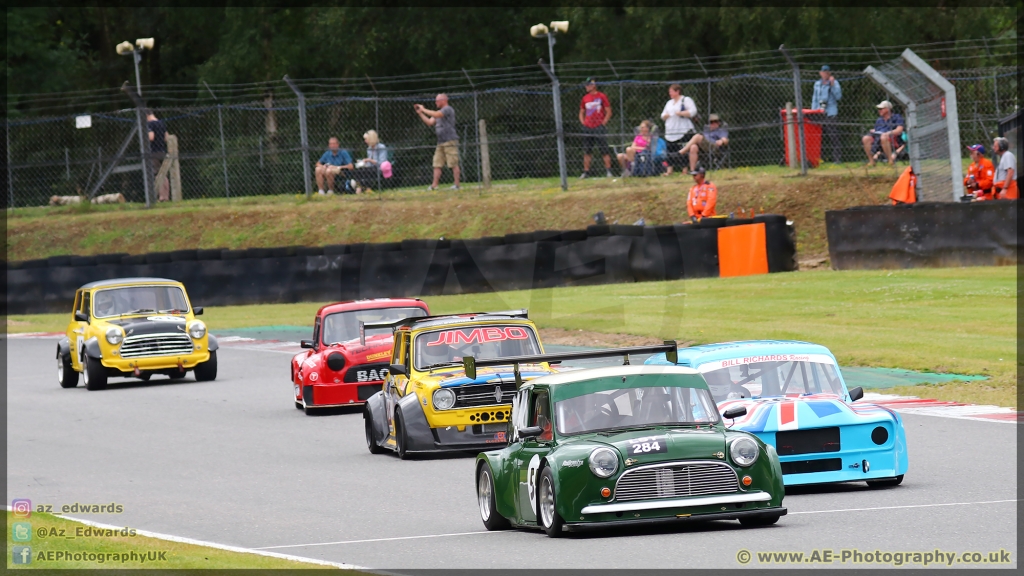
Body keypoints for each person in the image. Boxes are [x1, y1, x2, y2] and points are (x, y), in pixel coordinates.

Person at [415, 93, 460, 190]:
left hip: (450, 140)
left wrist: (423, 109)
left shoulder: (447, 109)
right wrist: (421, 113)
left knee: (453, 163)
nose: (435, 102)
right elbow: (429, 122)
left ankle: (456, 185)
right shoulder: (438, 112)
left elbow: (436, 114)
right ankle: (434, 185)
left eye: (437, 100)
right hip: (440, 141)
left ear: (444, 100)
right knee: (437, 163)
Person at [578, 77, 614, 179]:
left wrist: (603, 123)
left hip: (599, 126)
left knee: (604, 150)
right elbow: (581, 112)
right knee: (587, 150)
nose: (586, 87)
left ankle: (609, 171)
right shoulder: (585, 98)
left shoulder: (602, 96)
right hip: (588, 127)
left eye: (588, 85)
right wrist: (583, 123)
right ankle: (586, 172)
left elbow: (608, 111)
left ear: (593, 85)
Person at [660, 83, 697, 175]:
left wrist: (681, 113)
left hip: (683, 129)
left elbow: (693, 111)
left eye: (672, 91)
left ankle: (684, 169)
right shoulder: (669, 103)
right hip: (670, 130)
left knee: (683, 149)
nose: (670, 93)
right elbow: (662, 115)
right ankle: (669, 170)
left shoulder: (685, 100)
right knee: (671, 150)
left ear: (677, 91)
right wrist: (666, 116)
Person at [812, 65, 843, 164]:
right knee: (817, 136)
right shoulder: (817, 84)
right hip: (819, 112)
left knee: (833, 136)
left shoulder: (835, 83)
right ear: (820, 73)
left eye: (827, 72)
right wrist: (813, 111)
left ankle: (837, 158)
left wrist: (832, 85)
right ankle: (818, 158)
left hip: (830, 112)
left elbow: (838, 97)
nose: (825, 74)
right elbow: (815, 99)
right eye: (823, 72)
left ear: (830, 73)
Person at [861, 100, 904, 167]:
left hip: (892, 138)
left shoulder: (897, 117)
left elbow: (899, 129)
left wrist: (888, 133)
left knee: (884, 136)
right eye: (879, 109)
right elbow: (877, 129)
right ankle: (871, 162)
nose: (879, 110)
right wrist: (873, 131)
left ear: (888, 109)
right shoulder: (879, 120)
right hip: (878, 138)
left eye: (881, 109)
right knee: (865, 138)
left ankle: (890, 161)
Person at [351, 130, 388, 194]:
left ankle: (366, 188)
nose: (365, 141)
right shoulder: (369, 149)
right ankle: (360, 187)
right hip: (370, 167)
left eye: (366, 139)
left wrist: (369, 160)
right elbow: (369, 163)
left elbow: (382, 162)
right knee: (357, 170)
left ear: (371, 139)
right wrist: (363, 162)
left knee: (368, 171)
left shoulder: (381, 147)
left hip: (379, 168)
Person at [146, 110, 170, 202]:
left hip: (154, 152)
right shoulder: (161, 123)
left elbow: (151, 137)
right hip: (162, 151)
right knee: (163, 174)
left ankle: (161, 197)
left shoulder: (150, 124)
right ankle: (165, 196)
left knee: (157, 174)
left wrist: (144, 136)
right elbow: (166, 137)